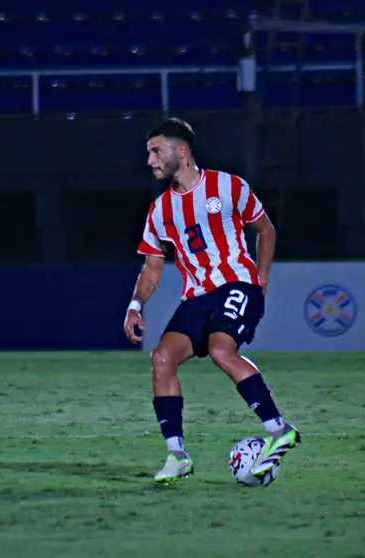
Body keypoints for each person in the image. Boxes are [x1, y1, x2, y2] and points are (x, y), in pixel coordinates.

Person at [122, 118, 301, 482]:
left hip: (237, 284)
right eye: (149, 153)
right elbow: (152, 268)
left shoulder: (229, 186)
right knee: (161, 357)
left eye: (156, 151)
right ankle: (177, 455)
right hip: (197, 296)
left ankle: (280, 429)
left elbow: (265, 229)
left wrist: (261, 279)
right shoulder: (159, 211)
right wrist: (135, 305)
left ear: (181, 151)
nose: (150, 161)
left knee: (222, 350)